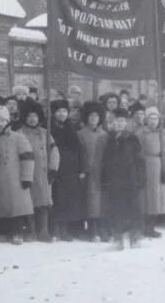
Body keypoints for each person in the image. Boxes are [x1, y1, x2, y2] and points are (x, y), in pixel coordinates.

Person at [0, 106, 35, 245]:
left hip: (16, 179)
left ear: (8, 121)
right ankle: (2, 231)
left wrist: (27, 177)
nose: (0, 124)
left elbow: (28, 157)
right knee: (2, 205)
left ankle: (18, 232)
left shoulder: (18, 137)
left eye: (3, 121)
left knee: (17, 207)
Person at [102, 109, 146, 250]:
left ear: (126, 123)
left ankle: (134, 238)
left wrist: (141, 177)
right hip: (115, 180)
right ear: (112, 123)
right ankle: (118, 238)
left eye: (122, 121)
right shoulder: (109, 139)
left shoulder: (132, 139)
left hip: (130, 179)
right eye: (117, 121)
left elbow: (140, 160)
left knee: (133, 208)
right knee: (117, 209)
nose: (119, 124)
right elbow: (105, 161)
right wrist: (105, 178)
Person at [16, 103, 59, 242]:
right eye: (29, 116)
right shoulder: (19, 133)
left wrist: (53, 169)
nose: (32, 119)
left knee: (44, 203)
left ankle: (44, 231)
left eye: (34, 116)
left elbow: (54, 151)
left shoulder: (45, 133)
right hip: (27, 173)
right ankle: (31, 230)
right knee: (29, 203)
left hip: (43, 173)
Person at [48, 100, 85, 241]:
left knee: (68, 199)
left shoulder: (71, 127)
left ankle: (65, 229)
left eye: (64, 111)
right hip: (56, 168)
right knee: (56, 198)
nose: (62, 114)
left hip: (70, 169)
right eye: (58, 111)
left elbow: (79, 149)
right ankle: (55, 228)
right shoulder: (50, 128)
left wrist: (81, 167)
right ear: (53, 113)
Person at [76, 102, 108, 241]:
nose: (94, 118)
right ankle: (92, 228)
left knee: (101, 201)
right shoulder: (80, 134)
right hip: (87, 172)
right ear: (86, 118)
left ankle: (102, 228)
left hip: (101, 171)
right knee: (89, 201)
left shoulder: (105, 134)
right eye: (91, 116)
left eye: (96, 116)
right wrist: (82, 169)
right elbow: (79, 154)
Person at [136, 107, 165, 238]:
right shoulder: (141, 133)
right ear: (146, 119)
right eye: (151, 118)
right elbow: (137, 152)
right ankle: (143, 227)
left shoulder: (161, 134)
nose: (153, 121)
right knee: (145, 198)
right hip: (145, 165)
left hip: (158, 165)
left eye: (156, 118)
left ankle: (151, 226)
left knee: (156, 199)